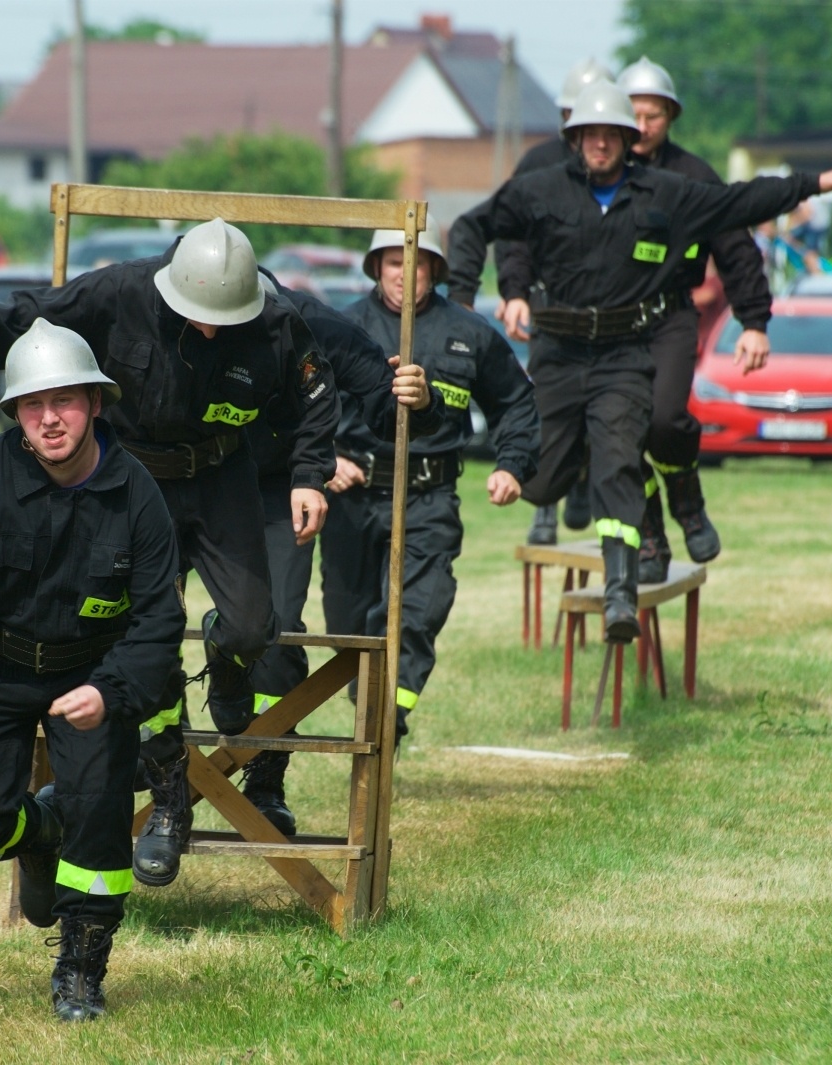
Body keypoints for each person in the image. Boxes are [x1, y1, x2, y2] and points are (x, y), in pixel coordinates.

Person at [0, 219, 411, 888]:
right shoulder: (120, 292)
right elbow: (36, 316)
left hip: (223, 480)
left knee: (253, 623)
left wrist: (308, 475)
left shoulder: (275, 321)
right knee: (142, 637)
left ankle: (225, 653)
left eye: (225, 320)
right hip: (135, 481)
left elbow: (316, 394)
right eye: (198, 318)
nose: (211, 330)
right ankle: (169, 796)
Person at [446, 80, 832, 642]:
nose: (599, 144)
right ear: (575, 139)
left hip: (624, 354)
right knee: (540, 482)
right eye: (589, 135)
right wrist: (464, 304)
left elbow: (739, 201)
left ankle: (621, 594)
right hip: (559, 355)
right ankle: (584, 467)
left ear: (627, 138)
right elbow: (473, 226)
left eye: (610, 134)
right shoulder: (540, 189)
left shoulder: (666, 192)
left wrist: (813, 183)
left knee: (619, 459)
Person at [0, 319, 185, 1022]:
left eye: (66, 401)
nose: (50, 418)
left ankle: (81, 969)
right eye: (32, 404)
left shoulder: (137, 495)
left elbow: (157, 621)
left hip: (91, 676)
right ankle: (37, 833)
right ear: (15, 412)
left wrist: (111, 692)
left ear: (96, 404)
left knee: (100, 823)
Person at [323, 217, 541, 742]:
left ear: (435, 270)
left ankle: (386, 720)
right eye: (395, 263)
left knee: (417, 613)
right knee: (351, 626)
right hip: (353, 500)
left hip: (429, 497)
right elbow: (296, 406)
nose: (405, 274)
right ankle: (369, 700)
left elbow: (516, 403)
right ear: (377, 267)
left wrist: (512, 464)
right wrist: (325, 459)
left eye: (416, 263)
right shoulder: (339, 329)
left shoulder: (470, 334)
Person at [241, 271, 438, 830]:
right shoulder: (149, 305)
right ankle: (158, 766)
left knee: (275, 629)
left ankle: (264, 773)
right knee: (142, 620)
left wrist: (417, 402)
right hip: (182, 481)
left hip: (282, 489)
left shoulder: (315, 325)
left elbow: (388, 406)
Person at [603, 55, 777, 582]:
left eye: (652, 115)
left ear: (670, 118)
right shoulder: (592, 175)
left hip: (669, 321)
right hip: (606, 329)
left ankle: (689, 501)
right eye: (632, 113)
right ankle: (650, 540)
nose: (641, 126)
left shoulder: (694, 176)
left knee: (663, 421)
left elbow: (737, 248)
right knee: (614, 436)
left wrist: (754, 322)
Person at [447, 56, 614, 543]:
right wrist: (514, 293)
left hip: (611, 318)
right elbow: (510, 235)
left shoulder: (628, 171)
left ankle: (582, 476)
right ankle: (543, 504)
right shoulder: (539, 165)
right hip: (551, 310)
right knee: (544, 404)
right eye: (572, 117)